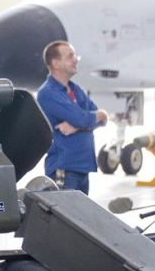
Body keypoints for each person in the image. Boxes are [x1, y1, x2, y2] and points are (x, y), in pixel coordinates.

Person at [37, 41, 108, 194]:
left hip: (82, 169)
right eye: (70, 57)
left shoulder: (75, 89)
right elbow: (83, 118)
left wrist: (78, 126)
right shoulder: (48, 93)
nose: (75, 60)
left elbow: (101, 119)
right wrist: (88, 120)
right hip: (64, 170)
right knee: (64, 210)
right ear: (55, 63)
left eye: (75, 56)